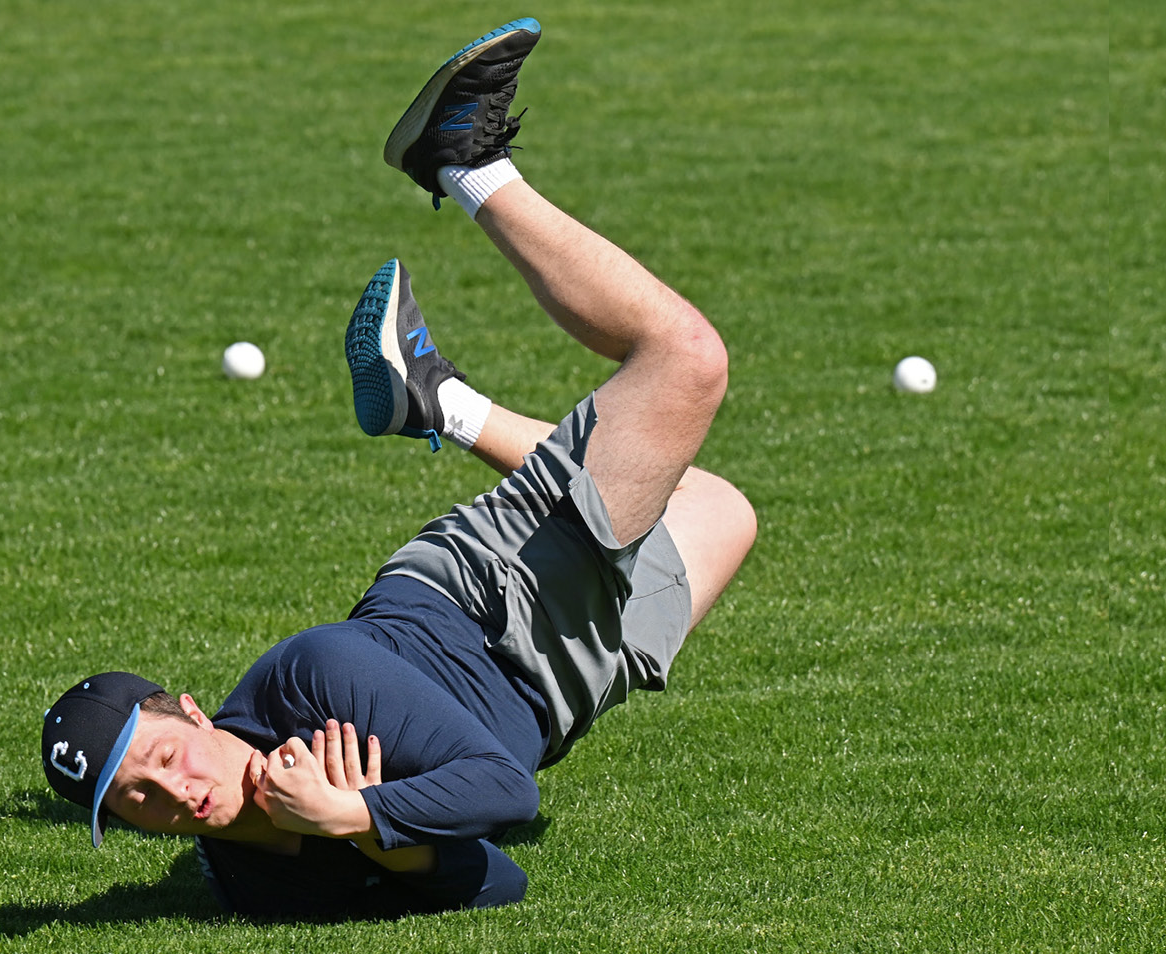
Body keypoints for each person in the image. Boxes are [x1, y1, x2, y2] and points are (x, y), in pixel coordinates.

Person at [39, 17, 756, 919]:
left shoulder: (316, 677)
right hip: (558, 690)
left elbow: (500, 790)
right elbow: (499, 870)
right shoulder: (261, 886)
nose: (175, 793)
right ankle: (441, 402)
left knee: (685, 359)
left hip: (487, 596)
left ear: (193, 710)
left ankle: (462, 160)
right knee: (723, 508)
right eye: (136, 802)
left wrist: (364, 808)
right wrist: (362, 824)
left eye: (164, 757)